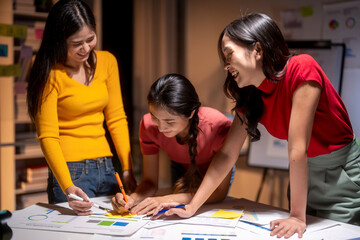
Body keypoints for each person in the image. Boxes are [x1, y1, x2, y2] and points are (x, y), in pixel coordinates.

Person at [151, 13, 360, 238]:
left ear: (258, 50)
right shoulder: (251, 94)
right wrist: (193, 206)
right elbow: (226, 155)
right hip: (304, 177)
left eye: (229, 54)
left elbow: (298, 148)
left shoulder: (302, 68)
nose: (226, 66)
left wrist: (297, 216)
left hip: (340, 178)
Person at [26, 0, 137, 215]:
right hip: (71, 171)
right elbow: (48, 136)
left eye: (90, 39)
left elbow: (116, 118)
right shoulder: (48, 72)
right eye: (77, 43)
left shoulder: (107, 62)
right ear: (59, 41)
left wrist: (127, 167)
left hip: (107, 168)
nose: (86, 48)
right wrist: (67, 186)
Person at [111, 73, 233, 216]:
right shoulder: (149, 126)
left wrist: (165, 198)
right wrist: (132, 199)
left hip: (215, 172)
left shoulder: (218, 127)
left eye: (169, 121)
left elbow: (218, 193)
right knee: (176, 217)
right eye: (155, 117)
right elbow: (149, 181)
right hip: (181, 166)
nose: (161, 128)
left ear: (190, 113)